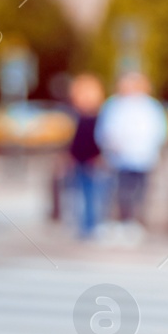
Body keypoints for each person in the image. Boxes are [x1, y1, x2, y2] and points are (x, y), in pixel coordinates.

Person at [95, 70, 168, 239]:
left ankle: (135, 222)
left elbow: (158, 131)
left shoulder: (150, 106)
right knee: (119, 191)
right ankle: (120, 221)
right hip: (119, 158)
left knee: (140, 192)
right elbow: (106, 130)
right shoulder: (114, 105)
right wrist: (112, 145)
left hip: (143, 157)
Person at [65, 74, 106, 239]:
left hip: (92, 162)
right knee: (79, 195)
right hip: (79, 161)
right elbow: (74, 142)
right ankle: (84, 225)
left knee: (92, 195)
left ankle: (91, 225)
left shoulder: (97, 117)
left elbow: (100, 140)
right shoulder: (78, 117)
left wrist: (98, 157)